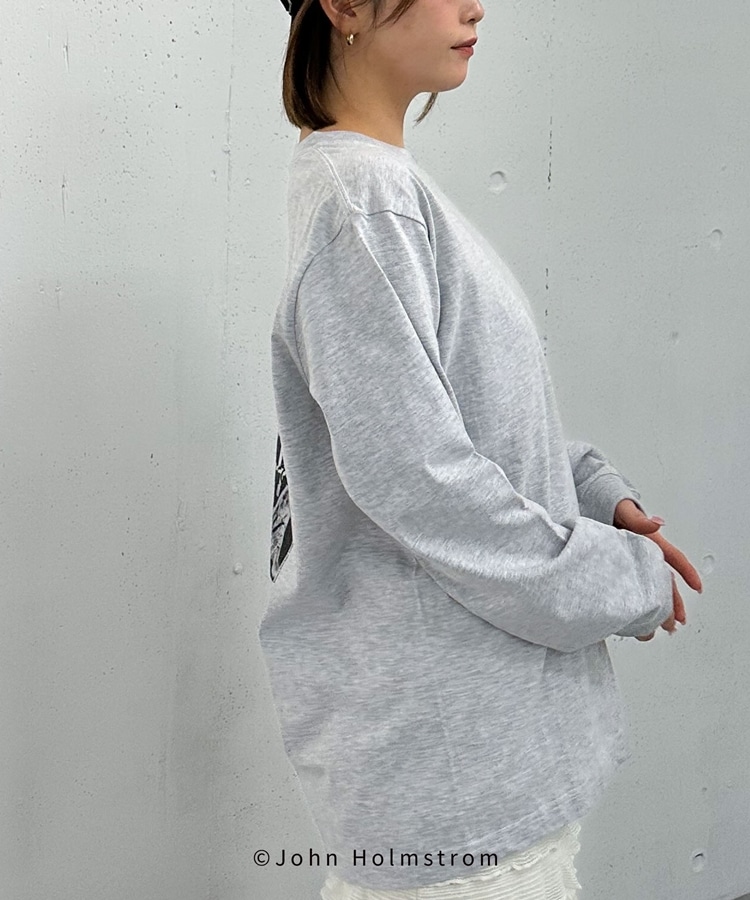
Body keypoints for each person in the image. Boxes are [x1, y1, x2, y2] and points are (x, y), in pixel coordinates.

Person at [260, 1, 704, 898]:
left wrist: (589, 489)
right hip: (456, 787)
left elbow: (448, 427)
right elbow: (423, 484)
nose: (475, 5)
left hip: (467, 764)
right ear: (344, 6)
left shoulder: (376, 189)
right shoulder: (365, 205)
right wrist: (622, 580)